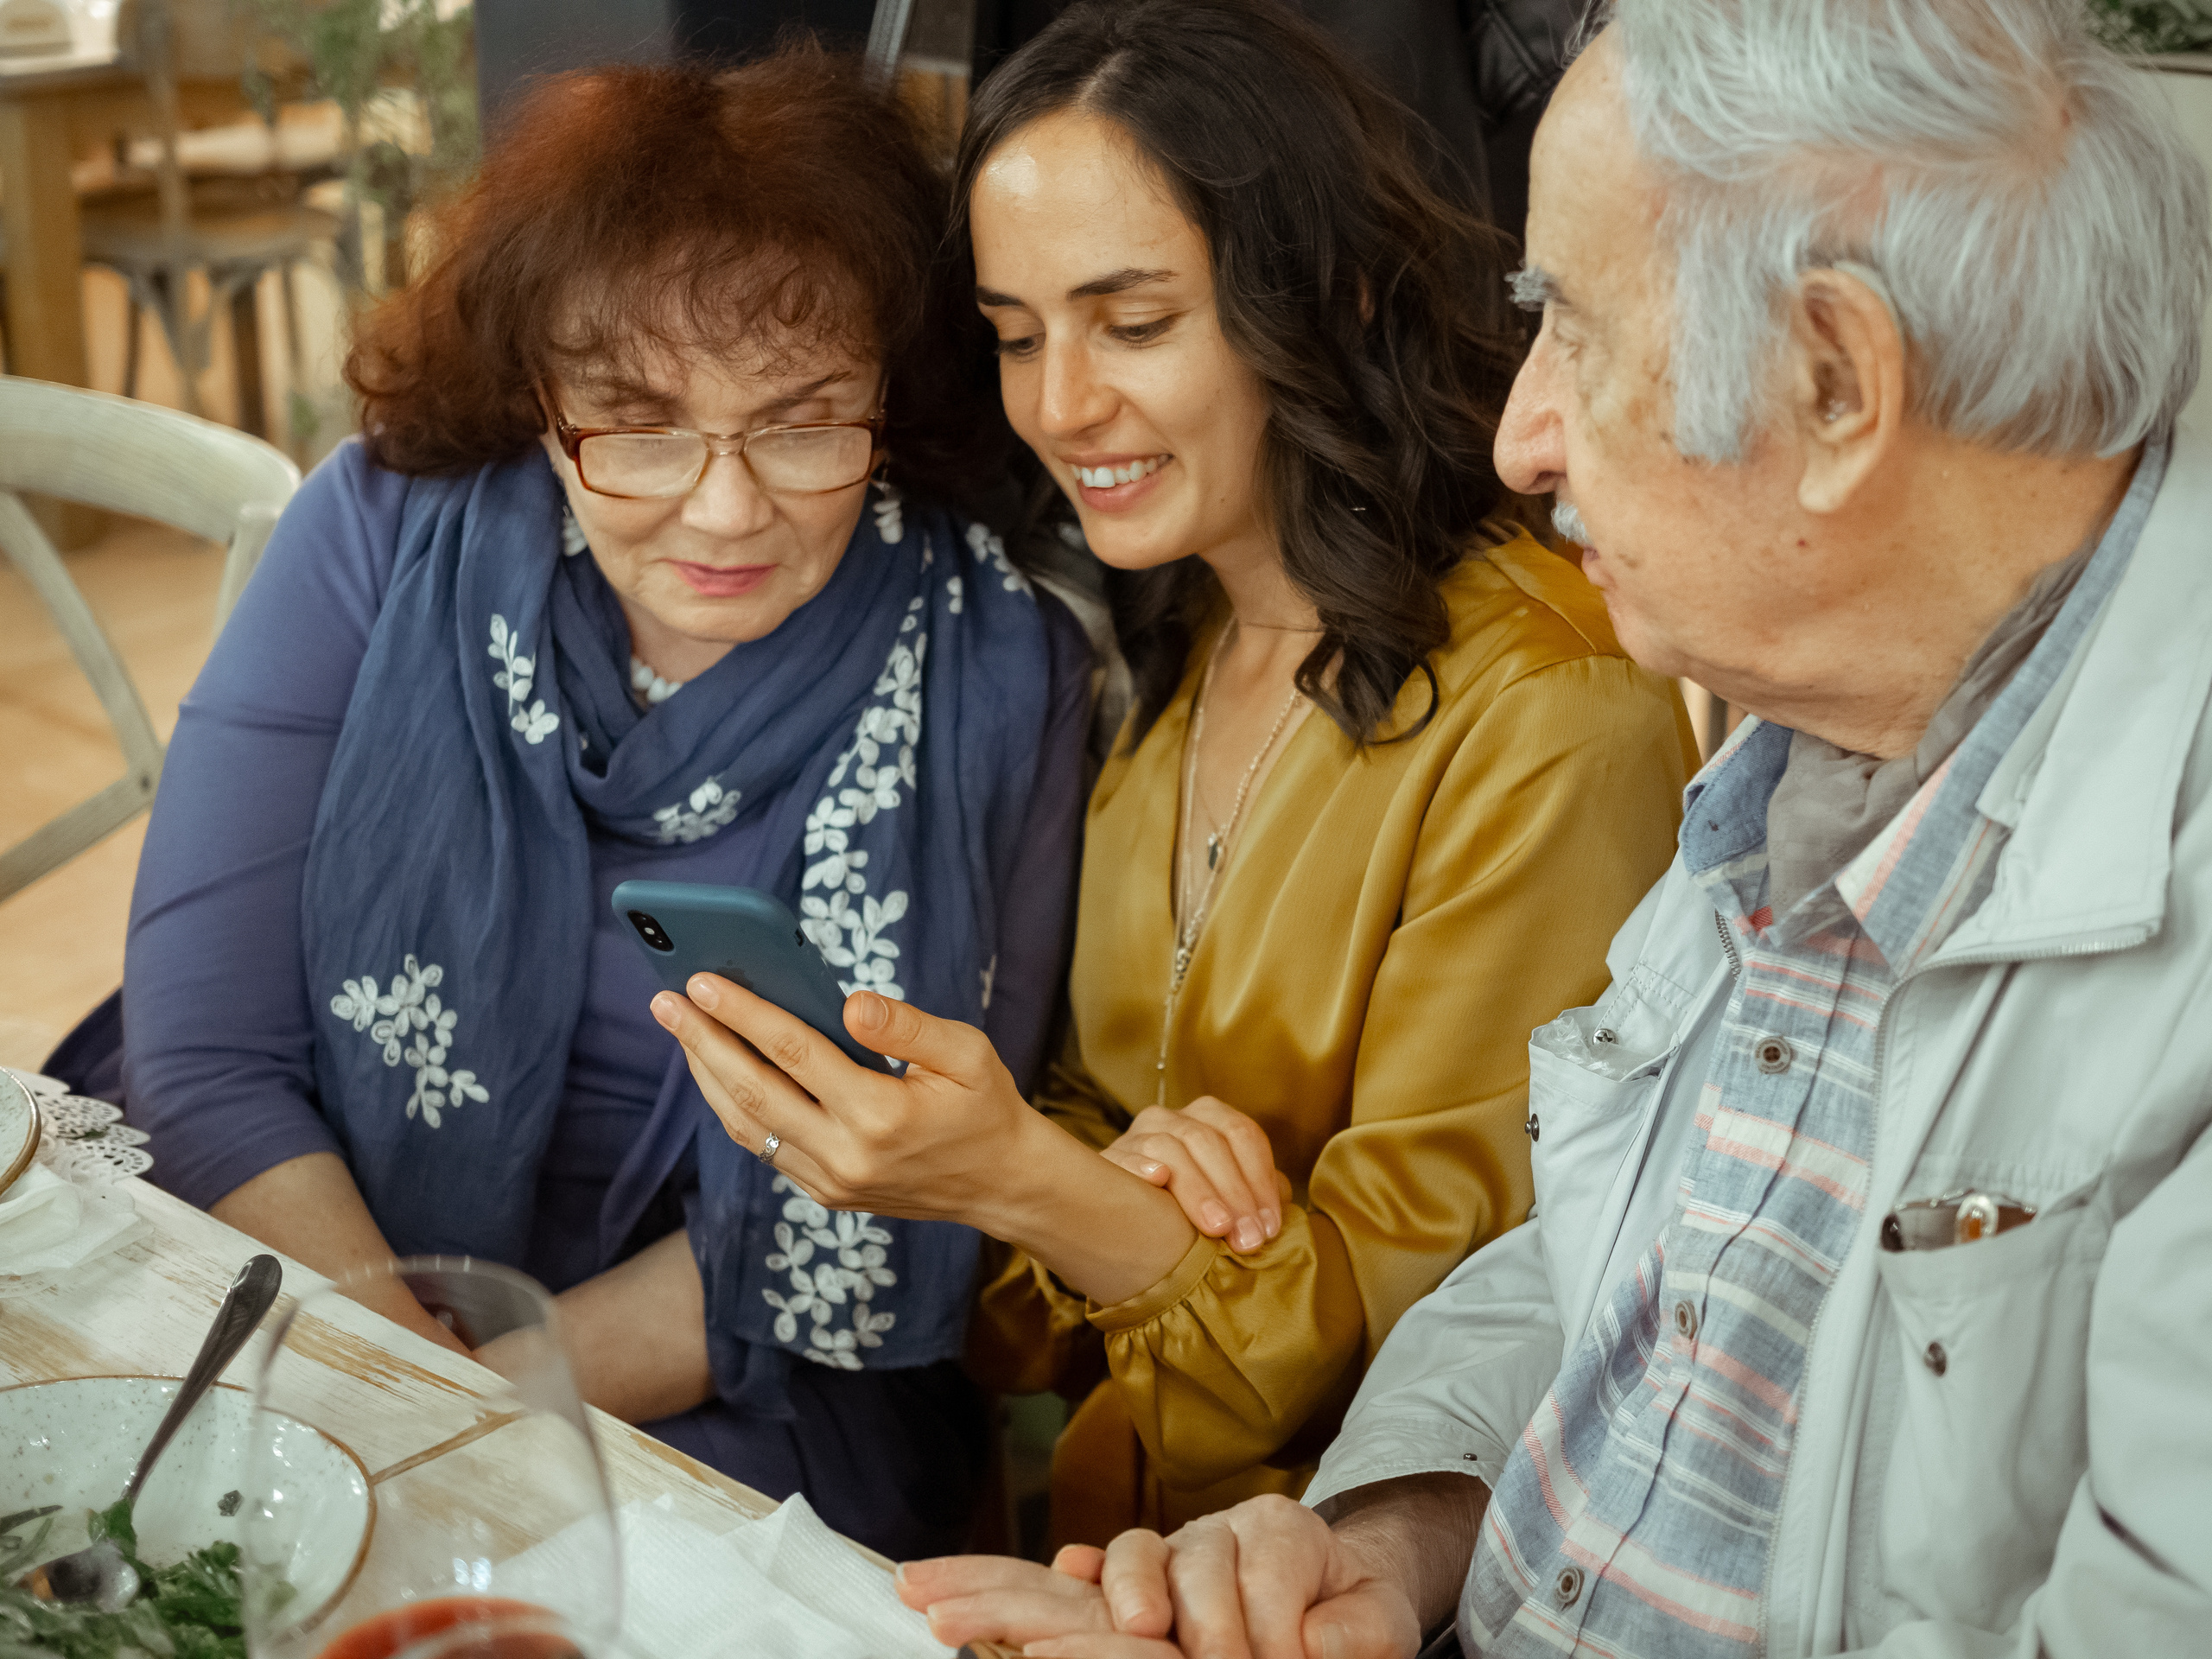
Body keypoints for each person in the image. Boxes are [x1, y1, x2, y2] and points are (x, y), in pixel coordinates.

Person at [897, 0, 2212, 1652]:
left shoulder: (1576, 703)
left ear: (1836, 381)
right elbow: (1600, 1277)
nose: (1521, 434)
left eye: (1570, 331)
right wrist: (1395, 1540)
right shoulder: (1800, 761)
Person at [651, 0, 1696, 1548]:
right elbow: (1060, 1263)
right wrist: (1087, 1173)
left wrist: (1038, 1183)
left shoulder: (1552, 716)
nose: (1060, 404)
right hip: (1106, 1543)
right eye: (1016, 335)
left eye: (1133, 324)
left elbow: (1437, 1356)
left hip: (1341, 1585)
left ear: (1319, 298)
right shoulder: (1173, 633)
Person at [116, 51, 1092, 1560]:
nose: (723, 505)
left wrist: (484, 1423)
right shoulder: (381, 533)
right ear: (538, 395)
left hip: (738, 1390)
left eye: (802, 420)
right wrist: (392, 1381)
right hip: (305, 1291)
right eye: (635, 425)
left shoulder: (990, 663)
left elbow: (880, 1188)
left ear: (889, 401)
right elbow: (207, 1056)